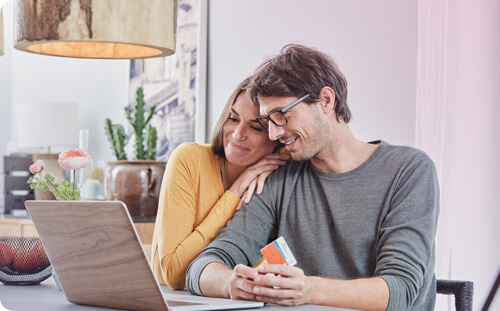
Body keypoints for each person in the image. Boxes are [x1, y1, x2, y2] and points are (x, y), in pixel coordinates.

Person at [186, 44, 439, 311]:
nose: (273, 134)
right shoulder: (280, 176)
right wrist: (231, 283)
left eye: (281, 115)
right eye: (267, 122)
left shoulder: (409, 170)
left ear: (326, 101)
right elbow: (202, 268)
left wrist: (307, 289)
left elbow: (399, 292)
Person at [151, 77, 290, 290]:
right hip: (175, 300)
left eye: (255, 128)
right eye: (233, 119)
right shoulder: (188, 159)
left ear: (276, 137)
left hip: (238, 298)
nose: (236, 135)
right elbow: (174, 274)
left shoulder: (277, 177)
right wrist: (236, 189)